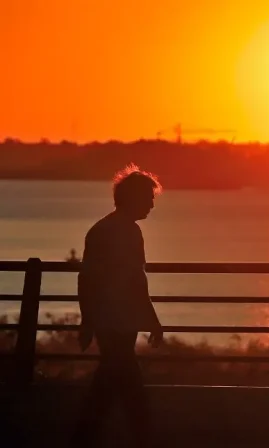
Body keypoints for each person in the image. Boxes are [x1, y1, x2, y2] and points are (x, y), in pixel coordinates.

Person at [71, 164, 164, 448]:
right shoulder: (127, 231)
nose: (151, 204)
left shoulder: (102, 228)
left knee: (112, 381)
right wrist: (153, 320)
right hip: (120, 320)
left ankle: (87, 436)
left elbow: (87, 277)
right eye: (148, 198)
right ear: (133, 198)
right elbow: (136, 279)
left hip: (107, 319)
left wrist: (88, 319)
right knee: (125, 383)